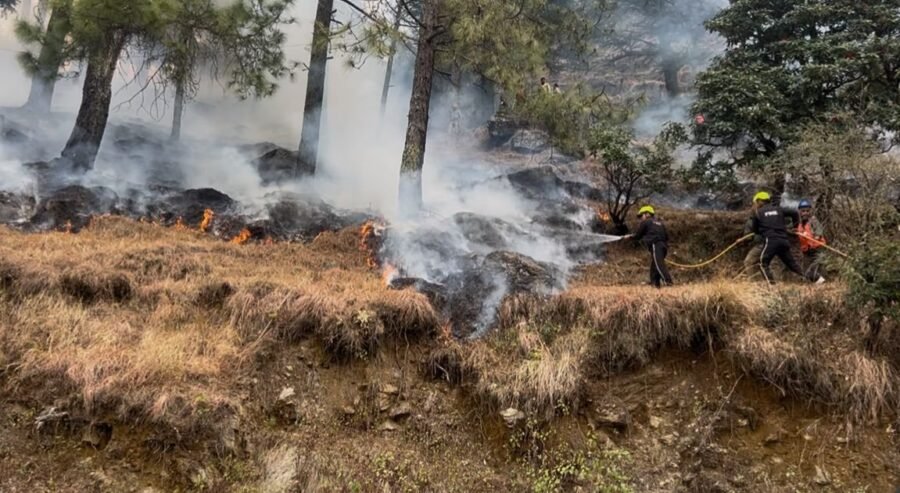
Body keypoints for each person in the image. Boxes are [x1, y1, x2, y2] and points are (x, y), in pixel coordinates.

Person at [750, 191, 824, 284]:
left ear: (759, 201)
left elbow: (755, 230)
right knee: (794, 266)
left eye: (755, 203)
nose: (755, 205)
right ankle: (817, 279)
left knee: (762, 263)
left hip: (771, 241)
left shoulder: (758, 213)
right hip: (784, 241)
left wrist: (764, 229)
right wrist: (795, 226)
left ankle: (771, 286)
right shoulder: (779, 209)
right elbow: (794, 212)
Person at [626, 205, 673, 288]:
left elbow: (638, 235)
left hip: (656, 245)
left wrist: (629, 237)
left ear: (647, 214)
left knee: (659, 265)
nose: (641, 218)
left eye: (641, 215)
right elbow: (667, 236)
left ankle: (668, 282)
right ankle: (655, 284)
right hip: (664, 246)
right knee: (654, 266)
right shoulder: (660, 223)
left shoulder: (646, 222)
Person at [796, 199, 827, 282]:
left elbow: (819, 233)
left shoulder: (813, 221)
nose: (805, 213)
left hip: (817, 249)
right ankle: (817, 282)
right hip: (807, 251)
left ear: (810, 211)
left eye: (807, 211)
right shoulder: (800, 224)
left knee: (816, 269)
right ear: (799, 212)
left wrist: (815, 238)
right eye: (803, 211)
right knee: (806, 272)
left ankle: (823, 283)